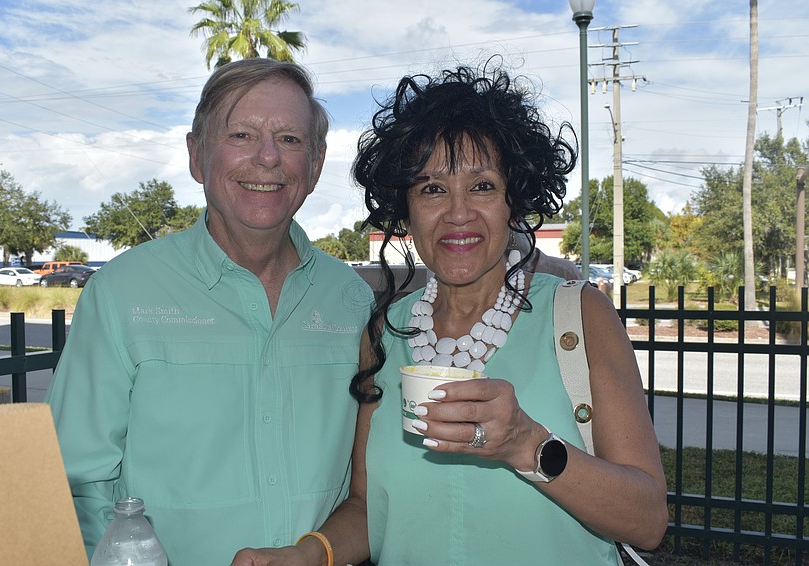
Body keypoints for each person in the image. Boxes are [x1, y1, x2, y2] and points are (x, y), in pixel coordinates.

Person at [234, 61, 667, 565]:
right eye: (432, 189)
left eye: (481, 185)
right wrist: (309, 555)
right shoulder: (384, 335)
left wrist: (525, 443)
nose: (458, 212)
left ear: (513, 199)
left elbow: (647, 520)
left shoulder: (578, 315)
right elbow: (370, 507)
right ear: (407, 209)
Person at [45, 58, 373, 565]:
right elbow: (74, 486)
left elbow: (371, 484)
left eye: (290, 139)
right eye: (241, 135)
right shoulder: (121, 293)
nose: (267, 158)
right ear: (196, 156)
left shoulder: (351, 300)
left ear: (316, 163)